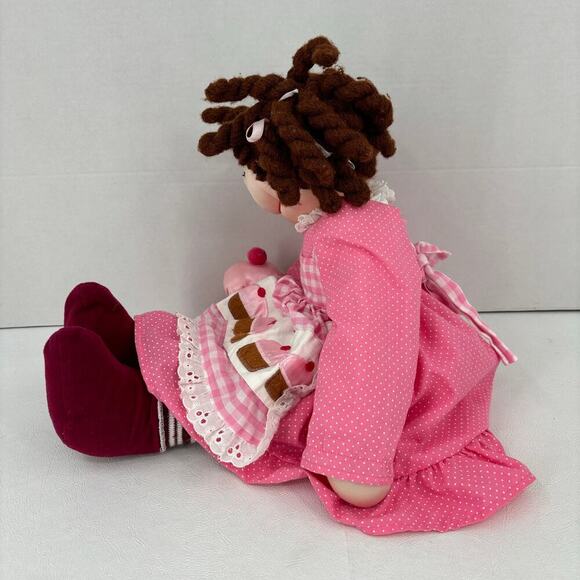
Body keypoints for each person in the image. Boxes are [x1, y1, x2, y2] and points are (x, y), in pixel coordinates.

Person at [43, 36, 535, 535]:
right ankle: (138, 351)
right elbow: (331, 293)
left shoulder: (361, 247)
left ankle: (136, 414)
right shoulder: (344, 220)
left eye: (259, 172)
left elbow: (375, 349)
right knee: (233, 344)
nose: (251, 183)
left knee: (268, 399)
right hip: (328, 333)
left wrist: (355, 459)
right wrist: (272, 284)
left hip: (387, 384)